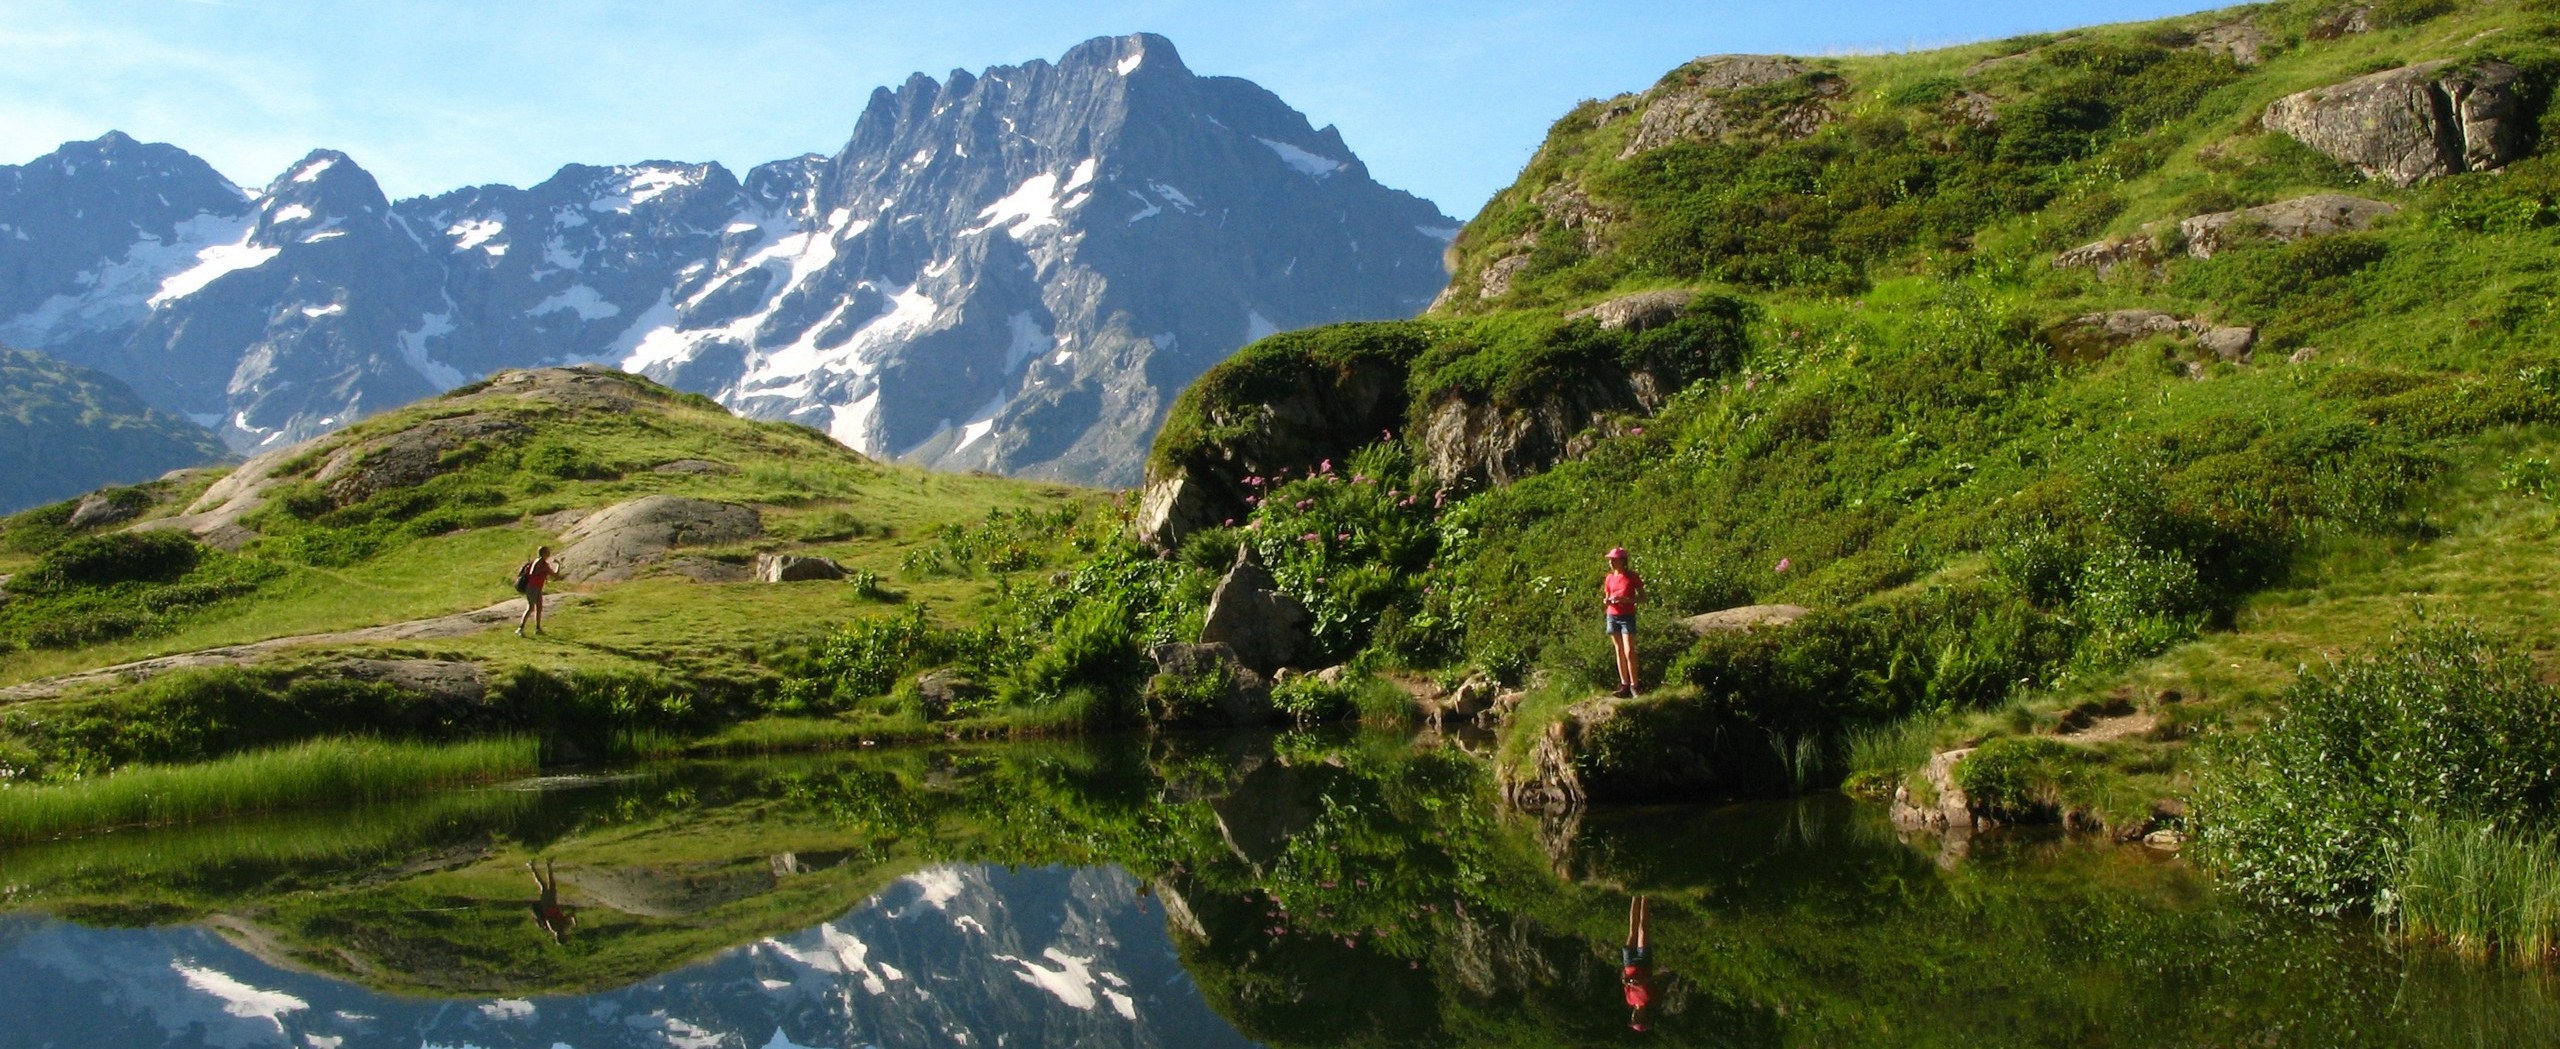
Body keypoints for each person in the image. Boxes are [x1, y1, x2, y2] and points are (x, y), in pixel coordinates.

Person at [1603, 547, 1646, 698]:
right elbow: (1607, 596)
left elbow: (1643, 598)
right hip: (1612, 615)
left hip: (1627, 616)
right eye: (1610, 560)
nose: (1611, 562)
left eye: (1614, 560)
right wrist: (1608, 601)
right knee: (1619, 651)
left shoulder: (1632, 576)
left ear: (1623, 560)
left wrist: (1626, 600)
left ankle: (1635, 685)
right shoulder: (1609, 578)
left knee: (1629, 651)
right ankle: (1624, 685)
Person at [1622, 894, 1656, 1032]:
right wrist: (1639, 982)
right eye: (1636, 1019)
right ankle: (1645, 896)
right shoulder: (1649, 1000)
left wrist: (1627, 980)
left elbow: (1624, 980)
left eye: (1633, 1019)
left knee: (1632, 930)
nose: (1634, 1017)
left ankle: (1635, 896)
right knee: (1642, 929)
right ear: (1643, 1017)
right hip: (1644, 963)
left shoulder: (1629, 1000)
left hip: (1629, 964)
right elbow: (1651, 980)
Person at [528, 858, 576, 944]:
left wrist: (563, 922)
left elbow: (549, 920)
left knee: (544, 886)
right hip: (553, 904)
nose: (564, 935)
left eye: (563, 937)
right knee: (552, 885)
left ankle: (532, 867)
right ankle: (548, 865)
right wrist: (572, 921)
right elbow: (570, 915)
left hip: (547, 906)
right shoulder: (563, 927)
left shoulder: (554, 928)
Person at [514, 545, 559, 637]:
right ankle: (520, 628)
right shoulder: (538, 561)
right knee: (531, 607)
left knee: (539, 608)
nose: (549, 553)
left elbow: (555, 575)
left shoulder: (544, 564)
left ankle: (538, 628)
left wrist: (558, 565)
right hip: (531, 587)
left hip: (538, 588)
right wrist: (543, 570)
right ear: (543, 553)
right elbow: (533, 572)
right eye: (547, 552)